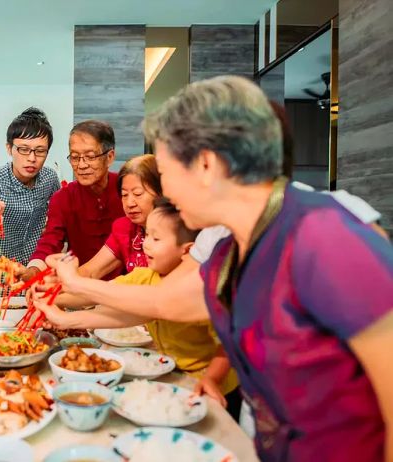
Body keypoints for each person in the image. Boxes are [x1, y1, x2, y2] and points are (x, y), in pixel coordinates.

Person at [47, 76, 393, 461]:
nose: (167, 194)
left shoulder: (325, 237)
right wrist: (70, 298)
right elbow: (166, 302)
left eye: (166, 173)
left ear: (207, 164)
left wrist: (77, 287)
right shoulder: (230, 247)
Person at [35, 200, 241, 419]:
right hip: (172, 374)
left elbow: (227, 345)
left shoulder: (200, 288)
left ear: (188, 250)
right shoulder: (145, 277)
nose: (146, 245)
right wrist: (54, 297)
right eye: (147, 236)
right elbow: (105, 295)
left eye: (156, 238)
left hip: (212, 384)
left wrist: (212, 378)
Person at [0, 107, 60, 299]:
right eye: (24, 149)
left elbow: (57, 220)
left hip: (34, 278)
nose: (32, 158)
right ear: (9, 148)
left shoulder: (50, 179)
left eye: (40, 151)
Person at [22, 120, 125, 281]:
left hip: (127, 289)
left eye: (90, 157)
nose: (82, 165)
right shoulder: (63, 198)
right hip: (80, 287)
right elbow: (50, 240)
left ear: (109, 157)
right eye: (75, 157)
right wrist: (34, 269)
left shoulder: (126, 189)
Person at [77, 154, 162, 280]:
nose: (129, 203)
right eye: (124, 195)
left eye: (138, 194)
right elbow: (91, 271)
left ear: (161, 193)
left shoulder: (177, 231)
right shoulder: (125, 228)